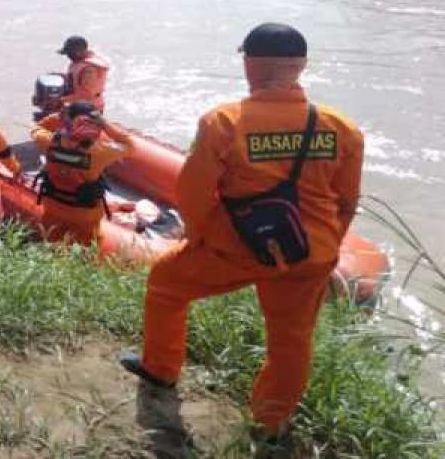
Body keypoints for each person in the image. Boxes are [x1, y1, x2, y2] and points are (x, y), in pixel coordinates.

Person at [120, 23, 364, 452]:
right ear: (301, 67)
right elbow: (346, 201)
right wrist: (324, 253)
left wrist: (198, 239)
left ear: (250, 65)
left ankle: (161, 369)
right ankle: (269, 427)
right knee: (290, 342)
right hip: (309, 253)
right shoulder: (342, 128)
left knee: (165, 283)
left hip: (235, 249)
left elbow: (193, 192)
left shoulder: (224, 121)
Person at [31, 101, 135, 243]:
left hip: (53, 206)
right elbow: (130, 146)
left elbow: (36, 128)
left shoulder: (48, 142)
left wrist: (59, 117)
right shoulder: (100, 151)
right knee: (85, 251)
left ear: (67, 121)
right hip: (84, 214)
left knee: (51, 243)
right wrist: (105, 124)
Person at [57, 35, 110, 111]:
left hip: (90, 108)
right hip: (78, 105)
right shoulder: (78, 62)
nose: (68, 56)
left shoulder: (89, 69)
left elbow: (87, 94)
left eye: (70, 53)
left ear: (79, 51)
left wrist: (60, 100)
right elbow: (76, 80)